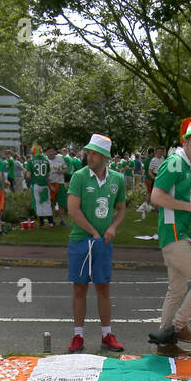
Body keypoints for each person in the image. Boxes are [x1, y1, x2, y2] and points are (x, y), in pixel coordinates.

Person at [148, 121, 191, 357]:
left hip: (178, 233)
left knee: (176, 290)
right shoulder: (176, 163)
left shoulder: (187, 165)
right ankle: (178, 327)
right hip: (176, 234)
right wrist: (189, 206)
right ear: (185, 142)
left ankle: (165, 346)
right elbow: (155, 196)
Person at [61, 133, 129, 354]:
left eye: (94, 153)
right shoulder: (79, 177)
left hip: (103, 242)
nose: (90, 156)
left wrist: (112, 227)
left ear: (105, 157)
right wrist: (93, 232)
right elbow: (73, 210)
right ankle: (78, 335)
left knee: (104, 287)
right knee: (80, 287)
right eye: (88, 152)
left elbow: (121, 209)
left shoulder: (117, 179)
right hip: (81, 240)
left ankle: (107, 334)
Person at [27, 146, 53, 226]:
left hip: (36, 184)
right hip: (45, 184)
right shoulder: (46, 161)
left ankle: (41, 223)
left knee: (38, 203)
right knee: (47, 202)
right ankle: (51, 222)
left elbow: (28, 175)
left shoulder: (31, 161)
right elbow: (48, 174)